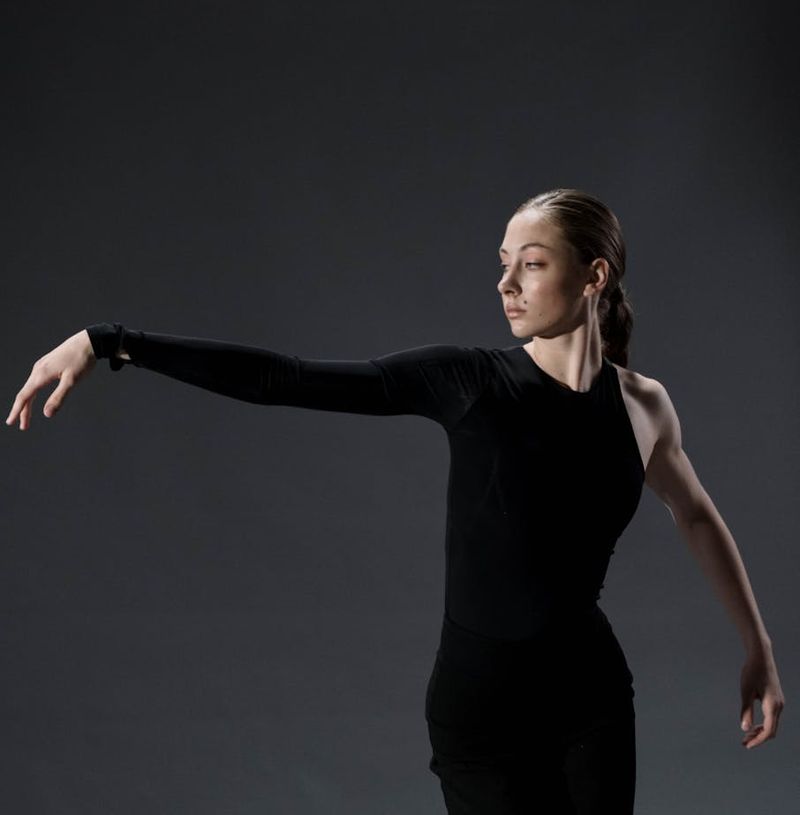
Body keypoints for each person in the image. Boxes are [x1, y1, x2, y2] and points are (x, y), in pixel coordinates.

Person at [6, 188, 784, 813]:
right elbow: (287, 378)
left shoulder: (644, 405)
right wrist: (109, 341)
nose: (506, 283)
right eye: (503, 263)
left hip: (590, 697)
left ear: (594, 277)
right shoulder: (469, 381)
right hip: (480, 711)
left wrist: (758, 645)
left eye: (532, 264)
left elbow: (695, 513)